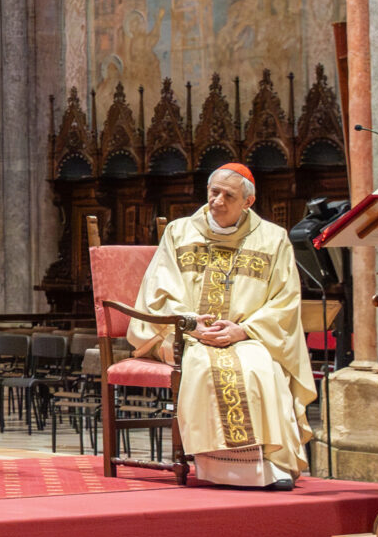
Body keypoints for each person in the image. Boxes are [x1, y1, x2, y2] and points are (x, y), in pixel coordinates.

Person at [127, 163, 317, 490]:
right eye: (213, 192)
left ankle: (268, 467)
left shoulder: (273, 239)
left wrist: (243, 330)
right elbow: (158, 291)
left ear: (248, 202)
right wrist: (191, 325)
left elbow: (286, 300)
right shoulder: (179, 231)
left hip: (248, 334)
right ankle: (217, 467)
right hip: (190, 336)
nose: (216, 201)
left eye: (228, 195)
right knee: (201, 367)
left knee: (262, 368)